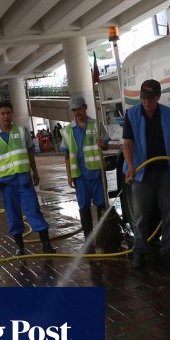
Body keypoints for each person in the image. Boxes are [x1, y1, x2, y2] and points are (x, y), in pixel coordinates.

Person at [122, 79, 170, 269]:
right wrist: (131, 166)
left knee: (169, 212)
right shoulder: (131, 114)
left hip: (166, 170)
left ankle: (167, 250)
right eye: (144, 99)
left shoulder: (168, 114)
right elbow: (127, 144)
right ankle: (139, 253)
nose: (146, 103)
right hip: (142, 173)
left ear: (158, 97)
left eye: (150, 99)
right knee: (141, 214)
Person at [0, 101, 56, 255]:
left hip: (24, 180)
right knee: (12, 214)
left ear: (12, 114)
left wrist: (35, 172)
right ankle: (20, 248)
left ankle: (46, 244)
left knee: (34, 210)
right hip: (5, 184)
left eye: (8, 113)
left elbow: (30, 154)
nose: (6, 116)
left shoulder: (22, 132)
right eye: (2, 113)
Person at [61, 94, 107, 251]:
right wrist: (69, 175)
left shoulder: (96, 125)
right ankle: (88, 242)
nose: (76, 113)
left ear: (85, 107)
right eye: (73, 110)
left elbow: (106, 146)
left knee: (102, 205)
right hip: (80, 176)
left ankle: (103, 237)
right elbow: (66, 156)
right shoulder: (68, 131)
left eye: (78, 109)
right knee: (84, 207)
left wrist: (103, 144)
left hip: (96, 175)